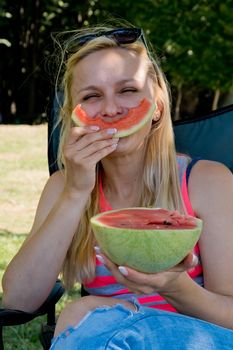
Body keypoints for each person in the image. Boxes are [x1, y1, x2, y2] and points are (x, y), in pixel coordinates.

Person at [2, 24, 233, 349]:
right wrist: (75, 192)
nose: (111, 110)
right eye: (92, 96)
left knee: (86, 314)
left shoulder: (207, 182)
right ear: (75, 116)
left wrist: (174, 287)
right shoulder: (63, 188)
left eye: (128, 90)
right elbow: (18, 299)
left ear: (157, 107)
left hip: (194, 336)